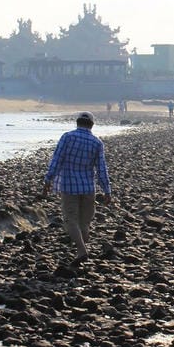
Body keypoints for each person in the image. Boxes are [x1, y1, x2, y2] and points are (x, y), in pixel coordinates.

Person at [43, 111, 112, 265]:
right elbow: (102, 169)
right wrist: (107, 190)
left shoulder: (67, 137)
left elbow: (57, 159)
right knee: (84, 222)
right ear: (92, 125)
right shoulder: (97, 143)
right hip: (88, 187)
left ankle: (81, 250)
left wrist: (48, 180)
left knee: (70, 219)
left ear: (77, 122)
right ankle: (82, 250)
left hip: (69, 186)